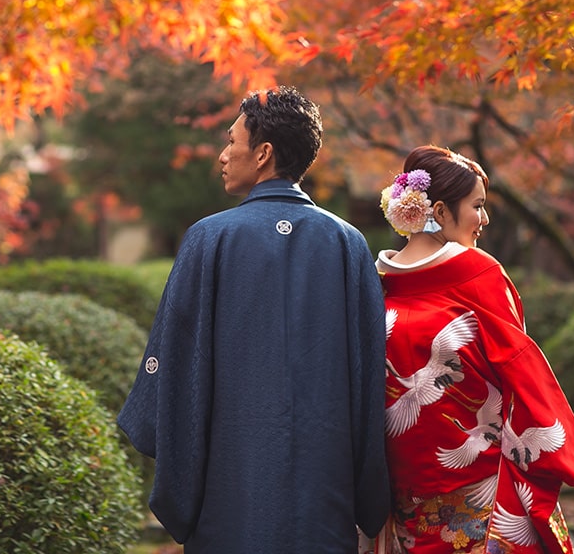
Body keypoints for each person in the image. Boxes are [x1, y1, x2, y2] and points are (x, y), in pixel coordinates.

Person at [118, 86, 390, 553]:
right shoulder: (347, 243)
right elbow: (368, 375)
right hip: (322, 480)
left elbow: (175, 355)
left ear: (263, 154)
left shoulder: (209, 238)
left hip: (229, 475)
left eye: (231, 142)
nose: (223, 156)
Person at [372, 145, 574, 554]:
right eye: (477, 206)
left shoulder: (376, 287)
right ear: (439, 212)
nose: (485, 219)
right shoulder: (479, 276)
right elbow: (520, 372)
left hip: (405, 492)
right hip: (480, 495)